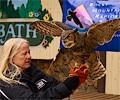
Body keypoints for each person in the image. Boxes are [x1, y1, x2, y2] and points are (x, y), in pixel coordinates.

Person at [0, 38, 88, 100]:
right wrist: (65, 87)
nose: (29, 56)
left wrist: (73, 82)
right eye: (24, 54)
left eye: (29, 52)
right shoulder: (5, 81)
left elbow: (54, 86)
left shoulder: (31, 69)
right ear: (11, 57)